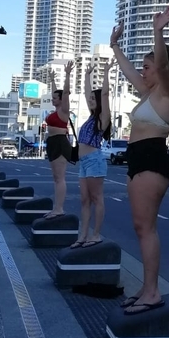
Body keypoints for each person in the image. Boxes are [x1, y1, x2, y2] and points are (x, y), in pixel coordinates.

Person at [109, 7, 169, 314]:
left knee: (145, 227)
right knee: (140, 227)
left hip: (152, 158)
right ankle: (147, 288)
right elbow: (128, 71)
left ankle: (153, 292)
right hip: (137, 158)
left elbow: (162, 66)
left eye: (147, 67)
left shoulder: (166, 91)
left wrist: (158, 31)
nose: (144, 71)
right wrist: (114, 45)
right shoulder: (147, 94)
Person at [69, 61, 112, 248]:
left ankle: (96, 235)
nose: (90, 101)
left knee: (97, 199)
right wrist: (86, 76)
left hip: (95, 161)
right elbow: (88, 94)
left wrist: (105, 72)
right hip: (84, 162)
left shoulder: (104, 118)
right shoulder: (90, 117)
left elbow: (104, 94)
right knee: (85, 200)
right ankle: (83, 235)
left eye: (94, 100)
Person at [43, 61, 75, 218]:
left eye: (55, 98)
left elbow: (66, 92)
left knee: (60, 178)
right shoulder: (56, 110)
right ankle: (57, 208)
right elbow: (57, 91)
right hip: (52, 143)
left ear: (61, 100)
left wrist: (68, 74)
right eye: (52, 97)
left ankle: (59, 208)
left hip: (60, 143)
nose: (52, 99)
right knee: (56, 178)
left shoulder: (63, 110)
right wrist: (52, 79)